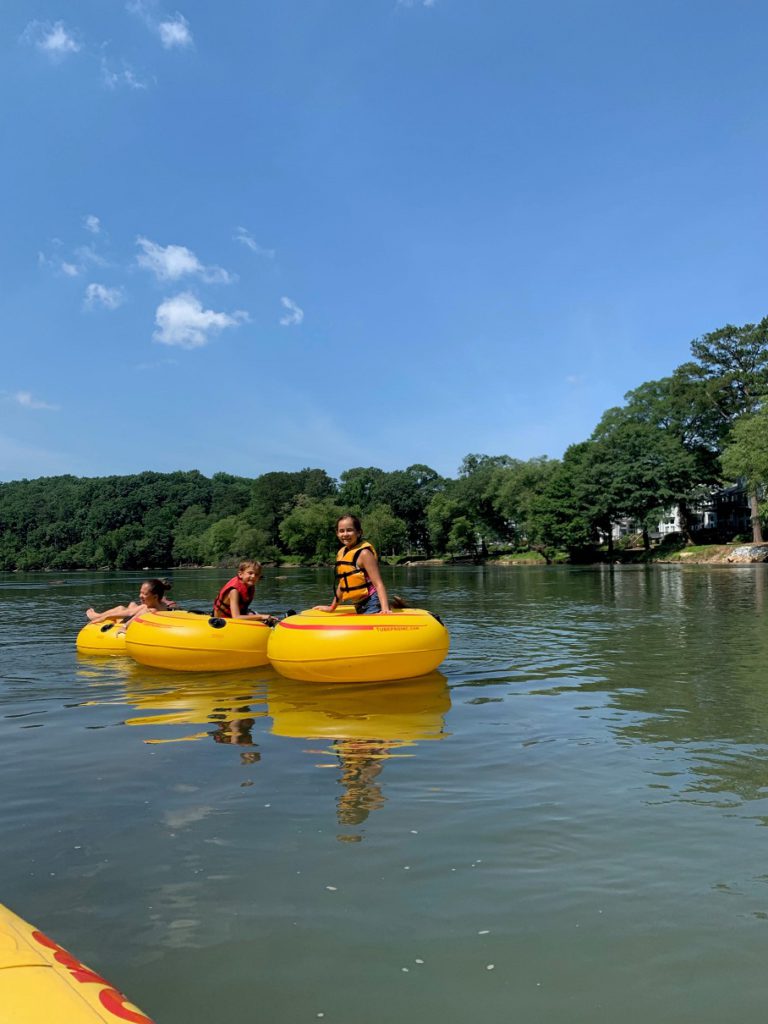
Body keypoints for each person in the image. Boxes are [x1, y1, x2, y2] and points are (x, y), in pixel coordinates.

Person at [314, 515, 393, 615]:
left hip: (372, 601)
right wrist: (332, 607)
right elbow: (343, 583)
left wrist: (385, 609)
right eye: (341, 531)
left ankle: (389, 606)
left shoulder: (364, 553)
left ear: (359, 532)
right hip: (359, 604)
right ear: (337, 533)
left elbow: (378, 583)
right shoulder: (341, 553)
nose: (345, 534)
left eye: (349, 530)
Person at [86, 578, 174, 625]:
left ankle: (98, 616)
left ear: (155, 597)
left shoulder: (150, 610)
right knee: (130, 605)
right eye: (140, 593)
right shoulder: (161, 604)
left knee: (121, 609)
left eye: (144, 594)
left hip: (130, 620)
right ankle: (98, 616)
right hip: (132, 614)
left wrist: (105, 618)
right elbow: (129, 612)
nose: (140, 596)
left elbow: (129, 614)